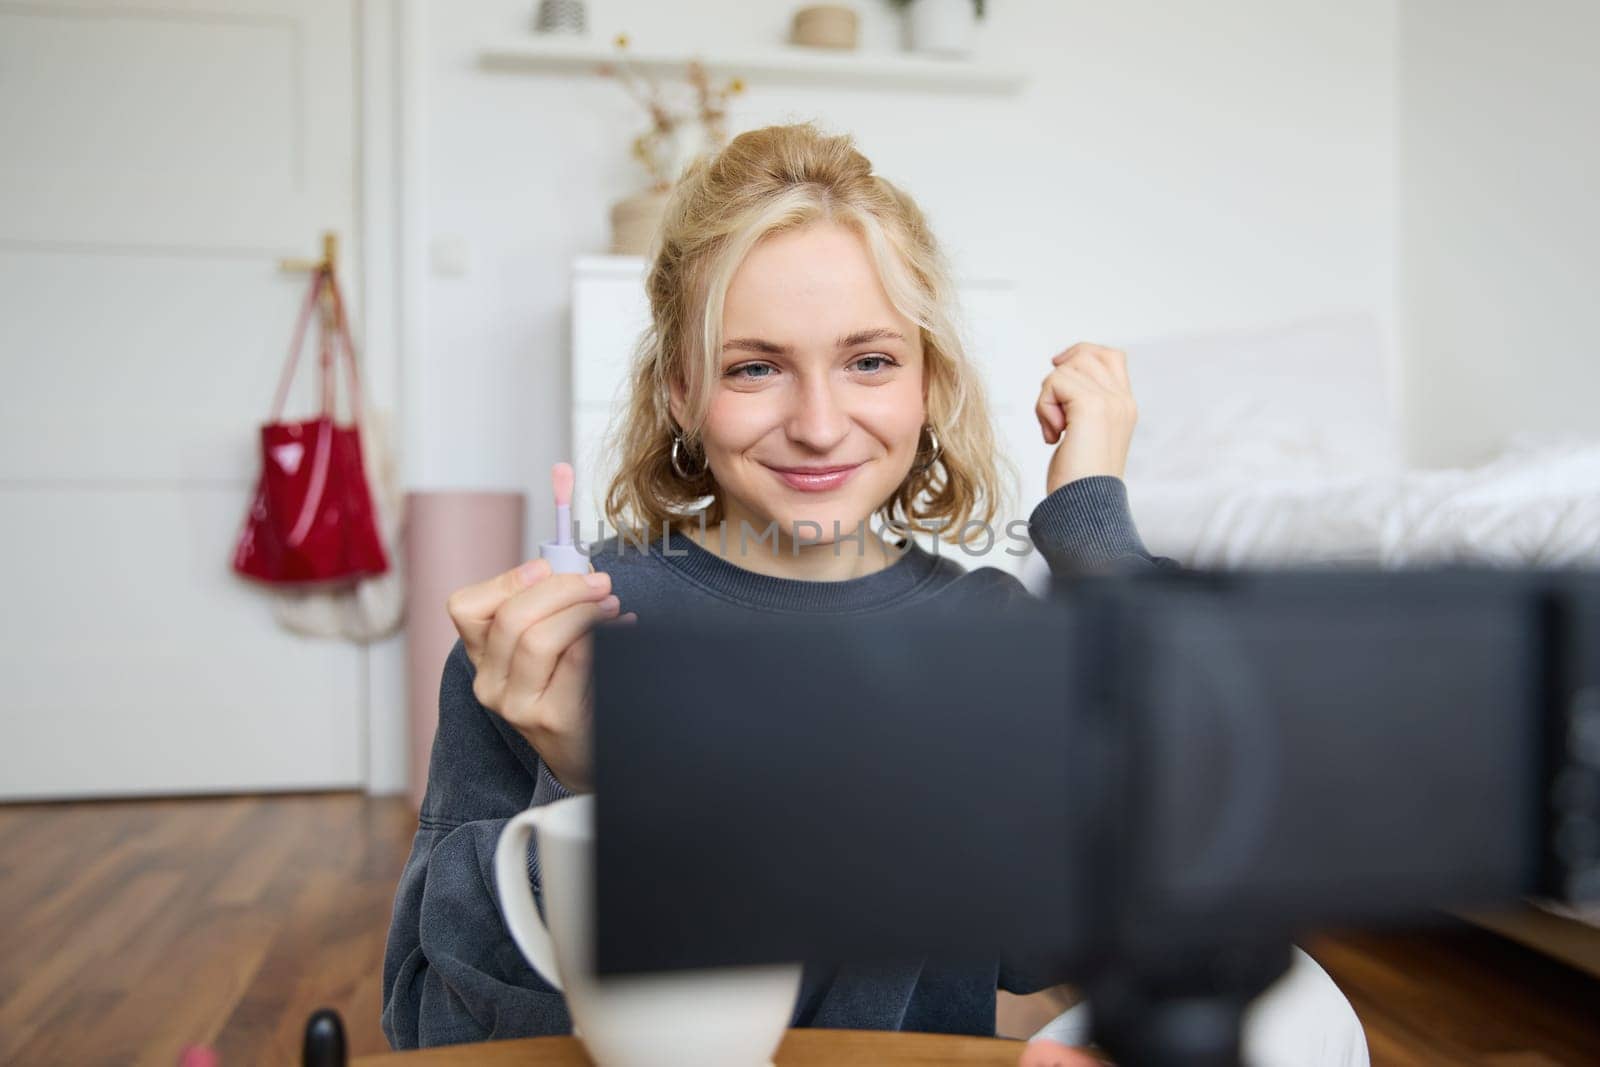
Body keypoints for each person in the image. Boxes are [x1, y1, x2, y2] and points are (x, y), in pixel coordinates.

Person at [381, 122, 1366, 1065]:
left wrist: (1094, 532)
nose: (819, 424)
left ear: (929, 380)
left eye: (869, 361)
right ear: (680, 391)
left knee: (1302, 1007)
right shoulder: (551, 646)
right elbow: (435, 1029)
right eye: (755, 366)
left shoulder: (991, 634)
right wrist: (596, 796)